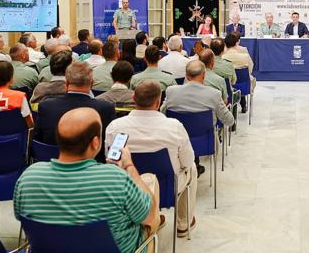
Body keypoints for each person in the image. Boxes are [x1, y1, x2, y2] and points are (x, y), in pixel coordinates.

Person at [15, 108, 159, 253]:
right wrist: (129, 165)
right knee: (150, 185)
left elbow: (22, 218)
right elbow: (149, 217)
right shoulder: (117, 179)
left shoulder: (28, 177)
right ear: (95, 142)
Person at [105, 81, 197, 237]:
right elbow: (187, 161)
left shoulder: (115, 127)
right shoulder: (174, 126)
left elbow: (111, 163)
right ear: (158, 102)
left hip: (129, 188)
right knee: (192, 168)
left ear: (133, 98)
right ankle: (183, 224)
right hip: (168, 188)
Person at [34, 62, 115, 161]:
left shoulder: (46, 106)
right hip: (93, 168)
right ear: (92, 83)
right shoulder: (106, 108)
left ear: (67, 83)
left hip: (51, 163)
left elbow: (37, 140)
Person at [161, 60, 235, 128]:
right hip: (205, 141)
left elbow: (162, 113)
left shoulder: (171, 91)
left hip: (177, 139)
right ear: (204, 76)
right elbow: (229, 121)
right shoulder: (214, 94)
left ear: (186, 76)